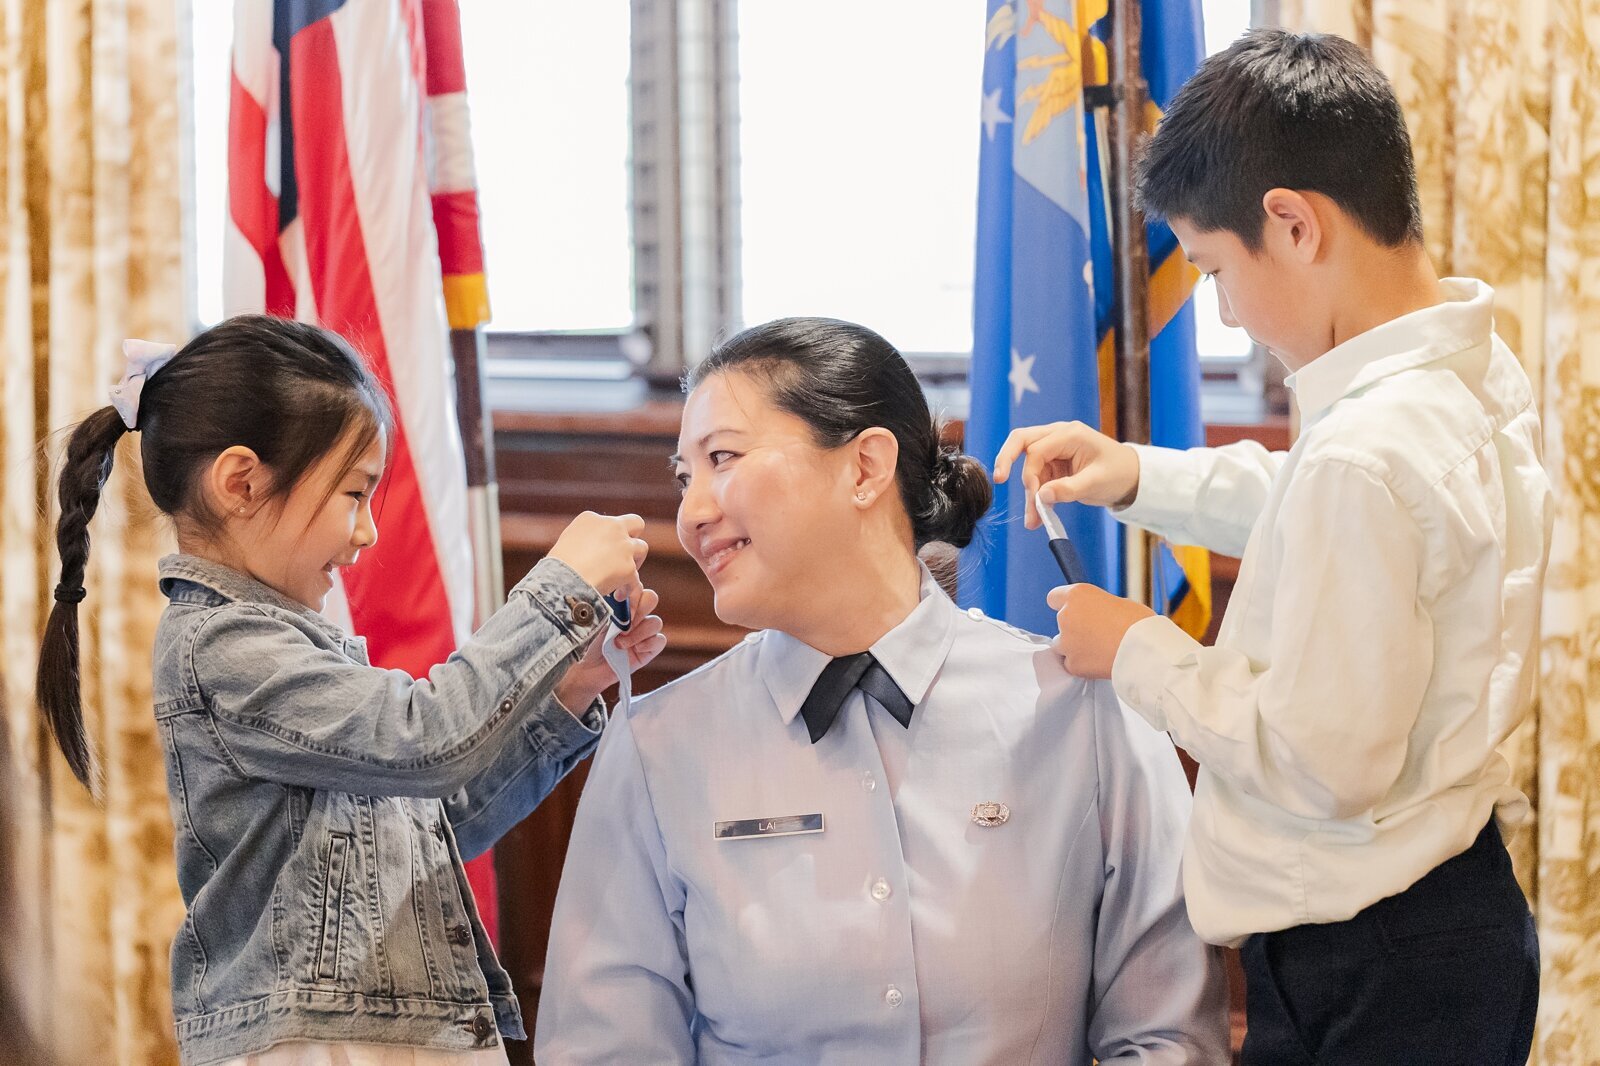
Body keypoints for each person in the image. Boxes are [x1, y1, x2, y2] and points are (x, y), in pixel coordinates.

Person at [995, 30, 1551, 1066]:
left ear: (1291, 225)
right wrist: (1135, 473)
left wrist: (1137, 650)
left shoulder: (1366, 450)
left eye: (1212, 268)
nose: (1228, 312)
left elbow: (1316, 760)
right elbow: (1315, 509)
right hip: (1448, 905)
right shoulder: (1458, 373)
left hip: (1373, 955)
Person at [535, 317, 1228, 1065]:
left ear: (866, 466)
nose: (692, 510)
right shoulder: (657, 744)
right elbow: (604, 1050)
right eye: (683, 476)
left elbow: (1168, 1038)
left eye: (723, 458)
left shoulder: (1085, 709)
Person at [34, 315, 666, 1066]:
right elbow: (423, 740)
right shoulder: (223, 646)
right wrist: (556, 591)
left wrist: (566, 690)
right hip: (320, 1045)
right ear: (242, 483)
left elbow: (435, 820)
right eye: (354, 493)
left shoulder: (296, 641)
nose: (367, 532)